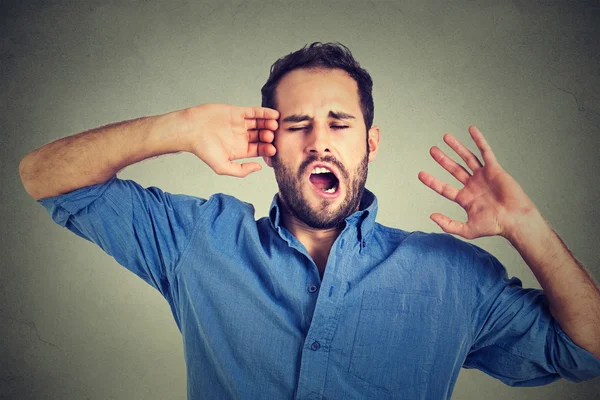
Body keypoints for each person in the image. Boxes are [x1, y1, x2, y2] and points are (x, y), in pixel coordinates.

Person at [19, 42, 600, 399]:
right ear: (270, 144)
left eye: (339, 123)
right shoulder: (200, 241)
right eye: (297, 125)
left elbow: (587, 352)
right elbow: (43, 175)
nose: (320, 143)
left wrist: (526, 224)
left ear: (371, 142)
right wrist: (179, 126)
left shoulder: (455, 275)